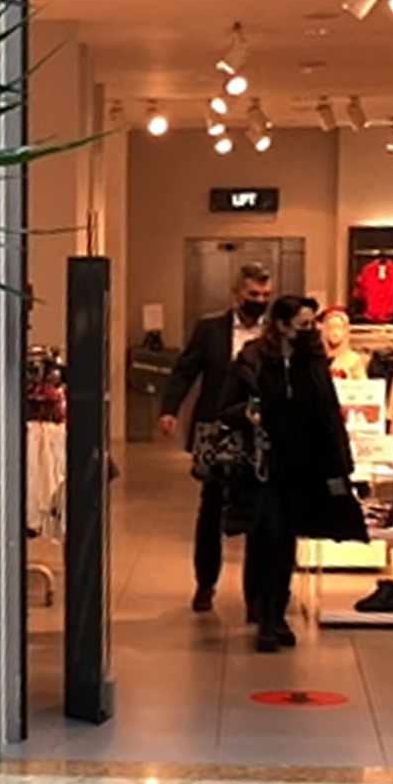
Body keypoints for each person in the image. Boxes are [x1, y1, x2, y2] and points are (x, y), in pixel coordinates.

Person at [219, 295, 367, 654]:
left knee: (286, 540)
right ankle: (266, 615)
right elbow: (225, 408)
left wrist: (341, 465)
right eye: (303, 324)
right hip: (262, 465)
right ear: (282, 325)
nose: (311, 330)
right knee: (268, 535)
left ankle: (275, 613)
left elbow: (328, 413)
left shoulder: (312, 362)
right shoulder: (253, 360)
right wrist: (247, 414)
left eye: (312, 323)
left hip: (303, 467)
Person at [158, 262, 272, 613]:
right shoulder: (210, 330)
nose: (259, 301)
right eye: (253, 294)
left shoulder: (274, 333)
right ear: (236, 294)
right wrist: (170, 408)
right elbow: (185, 370)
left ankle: (257, 595)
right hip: (216, 429)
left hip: (262, 433)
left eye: (265, 295)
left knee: (260, 512)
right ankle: (205, 582)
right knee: (211, 507)